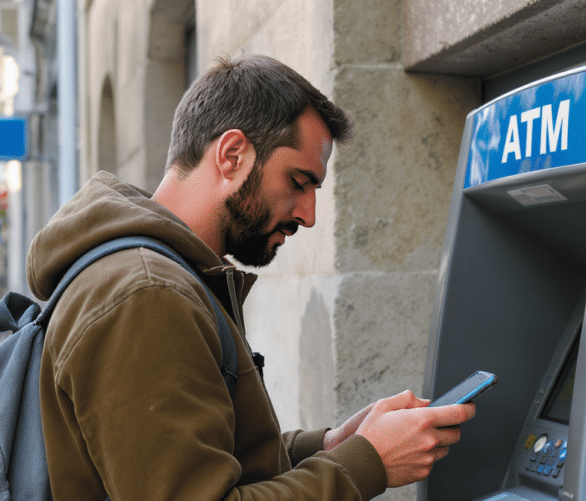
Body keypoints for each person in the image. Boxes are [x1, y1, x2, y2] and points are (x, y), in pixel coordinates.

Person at [27, 54, 475, 500]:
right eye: (299, 182)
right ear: (232, 155)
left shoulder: (163, 277)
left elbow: (206, 458)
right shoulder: (146, 294)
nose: (309, 215)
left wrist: (329, 446)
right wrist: (367, 462)